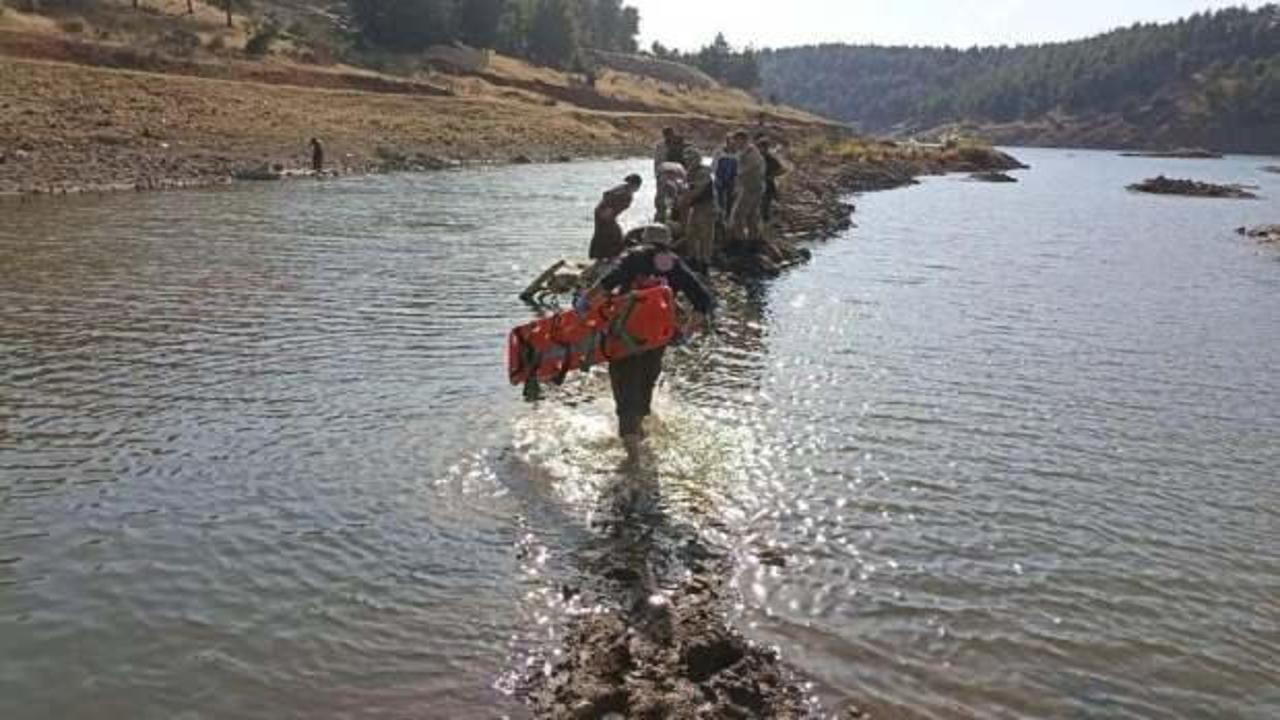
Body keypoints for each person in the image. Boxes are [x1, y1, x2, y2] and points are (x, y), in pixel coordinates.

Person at [582, 229, 716, 443]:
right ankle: (639, 428)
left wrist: (583, 305)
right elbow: (703, 301)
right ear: (668, 243)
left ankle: (631, 450)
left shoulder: (633, 257)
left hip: (624, 334)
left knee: (625, 386)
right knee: (646, 382)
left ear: (644, 240)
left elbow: (605, 284)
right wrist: (685, 333)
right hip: (657, 336)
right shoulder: (673, 262)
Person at [675, 149, 716, 274]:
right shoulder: (690, 172)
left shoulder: (703, 172)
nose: (688, 162)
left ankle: (704, 263)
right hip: (696, 207)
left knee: (705, 237)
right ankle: (693, 259)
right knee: (691, 233)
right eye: (687, 160)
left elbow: (696, 191)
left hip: (707, 207)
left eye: (690, 159)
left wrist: (683, 200)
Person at [589, 174, 643, 260]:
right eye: (639, 185)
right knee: (611, 233)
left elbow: (607, 194)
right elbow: (607, 194)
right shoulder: (623, 191)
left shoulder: (626, 190)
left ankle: (605, 256)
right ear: (634, 184)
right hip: (604, 212)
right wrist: (608, 209)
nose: (639, 188)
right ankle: (605, 256)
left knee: (609, 233)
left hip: (607, 213)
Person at [729, 130, 766, 251]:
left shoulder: (751, 153)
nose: (734, 143)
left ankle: (740, 241)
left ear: (742, 139)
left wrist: (734, 176)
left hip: (752, 188)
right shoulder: (746, 152)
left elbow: (745, 170)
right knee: (752, 216)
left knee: (738, 216)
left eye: (736, 140)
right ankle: (753, 241)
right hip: (751, 187)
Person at [758, 136, 789, 225]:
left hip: (767, 185)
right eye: (761, 147)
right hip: (755, 185)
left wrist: (771, 176)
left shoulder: (771, 159)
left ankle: (765, 225)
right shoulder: (755, 157)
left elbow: (783, 170)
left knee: (765, 206)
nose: (762, 149)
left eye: (764, 147)